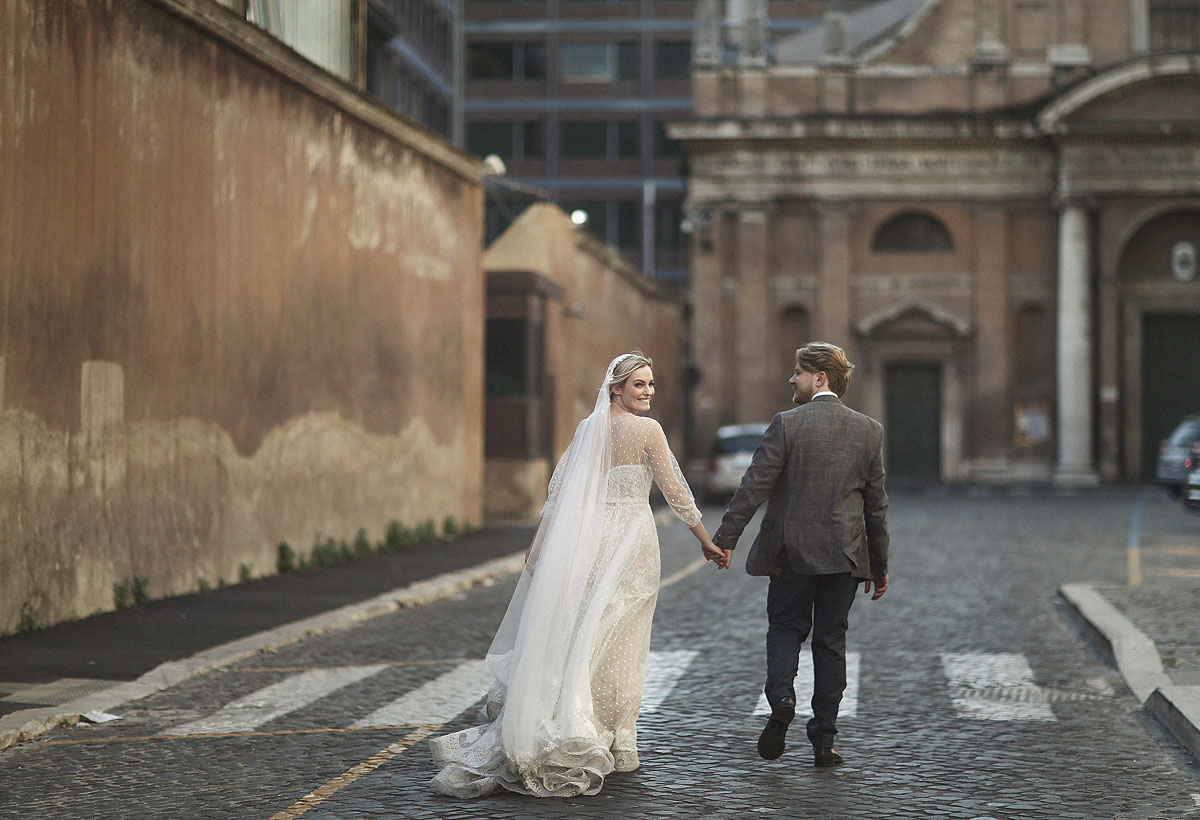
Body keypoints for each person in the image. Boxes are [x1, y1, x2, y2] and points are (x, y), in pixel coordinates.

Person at [430, 350, 727, 798]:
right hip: (631, 542)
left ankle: (575, 719)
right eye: (639, 384)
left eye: (651, 384)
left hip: (587, 543)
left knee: (583, 632)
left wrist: (541, 541)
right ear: (616, 388)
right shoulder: (648, 430)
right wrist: (704, 538)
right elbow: (676, 490)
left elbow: (560, 493)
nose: (647, 392)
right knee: (622, 636)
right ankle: (611, 738)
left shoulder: (588, 429)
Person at [712, 341, 889, 767]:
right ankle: (824, 743)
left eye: (798, 372)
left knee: (786, 628)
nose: (792, 379)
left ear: (820, 378)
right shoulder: (869, 430)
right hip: (845, 556)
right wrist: (879, 567)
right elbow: (876, 506)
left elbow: (753, 485)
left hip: (792, 553)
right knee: (831, 643)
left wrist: (726, 539)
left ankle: (783, 697)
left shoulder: (787, 424)